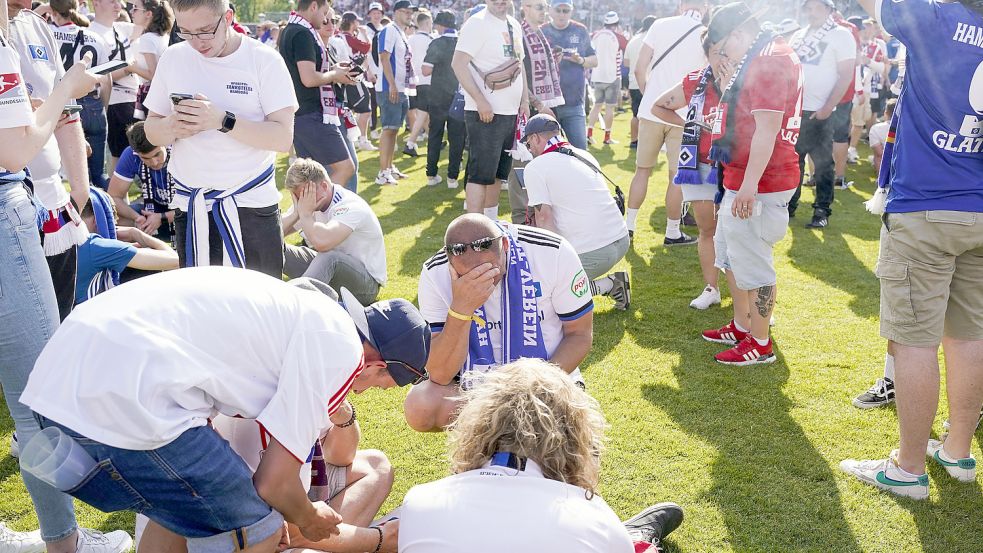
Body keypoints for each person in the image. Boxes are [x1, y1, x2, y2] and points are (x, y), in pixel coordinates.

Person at [21, 267, 430, 553]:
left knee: (183, 508)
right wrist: (308, 516)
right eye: (383, 383)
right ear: (379, 364)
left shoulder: (299, 312)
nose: (371, 388)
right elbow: (274, 484)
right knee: (257, 527)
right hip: (128, 396)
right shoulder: (340, 347)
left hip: (59, 378)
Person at [0, 5, 133, 550]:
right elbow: (15, 148)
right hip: (8, 207)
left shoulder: (22, 28)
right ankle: (65, 543)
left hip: (36, 207)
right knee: (38, 396)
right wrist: (64, 91)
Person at [839, 0, 983, 500]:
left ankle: (908, 468)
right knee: (968, 336)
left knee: (916, 341)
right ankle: (959, 451)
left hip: (925, 206)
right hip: (979, 206)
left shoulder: (936, 18)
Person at [398, 359, 684, 553]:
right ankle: (638, 538)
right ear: (573, 436)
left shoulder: (418, 502)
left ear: (476, 424)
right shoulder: (594, 519)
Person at [143, 0, 297, 277]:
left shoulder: (264, 60)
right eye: (186, 32)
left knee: (258, 308)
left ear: (227, 17)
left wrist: (222, 121)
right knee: (201, 307)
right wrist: (172, 126)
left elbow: (282, 138)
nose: (196, 42)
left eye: (204, 31)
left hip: (250, 207)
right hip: (190, 206)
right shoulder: (174, 57)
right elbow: (150, 130)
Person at [406, 214, 593, 432]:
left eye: (489, 271)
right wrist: (462, 308)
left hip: (546, 379)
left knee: (564, 454)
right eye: (468, 276)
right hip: (476, 387)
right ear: (450, 261)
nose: (480, 280)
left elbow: (579, 334)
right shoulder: (434, 272)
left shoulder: (552, 252)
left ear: (504, 245)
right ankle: (485, 439)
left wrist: (531, 390)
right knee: (420, 406)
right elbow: (439, 372)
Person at [700, 2, 802, 366]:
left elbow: (767, 129)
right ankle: (744, 326)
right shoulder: (761, 53)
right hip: (745, 175)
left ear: (739, 33)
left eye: (725, 47)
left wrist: (748, 185)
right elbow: (745, 118)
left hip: (760, 180)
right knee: (731, 255)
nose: (724, 55)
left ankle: (760, 342)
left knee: (754, 262)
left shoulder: (769, 58)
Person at [9, 0, 91, 320]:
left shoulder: (38, 28)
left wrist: (80, 189)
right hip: (9, 209)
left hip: (53, 207)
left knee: (59, 320)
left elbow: (67, 113)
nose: (24, 2)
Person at [521, 114, 631, 310]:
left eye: (529, 144)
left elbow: (544, 218)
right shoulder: (583, 154)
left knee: (540, 294)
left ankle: (609, 284)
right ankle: (610, 284)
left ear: (536, 138)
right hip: (621, 240)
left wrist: (549, 265)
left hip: (593, 251)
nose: (530, 150)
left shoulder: (535, 167)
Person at [650, 30, 727, 310]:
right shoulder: (697, 80)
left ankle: (747, 295)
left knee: (736, 231)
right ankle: (712, 288)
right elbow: (658, 106)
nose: (723, 58)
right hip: (700, 163)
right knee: (708, 228)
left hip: (735, 165)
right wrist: (691, 126)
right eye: (716, 52)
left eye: (727, 51)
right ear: (707, 54)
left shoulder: (745, 81)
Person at [625, 0, 706, 246]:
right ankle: (672, 231)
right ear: (706, 7)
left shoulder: (660, 24)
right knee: (676, 176)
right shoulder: (705, 34)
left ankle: (628, 227)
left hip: (651, 110)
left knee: (642, 171)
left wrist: (650, 94)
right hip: (682, 114)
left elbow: (640, 68)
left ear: (681, 5)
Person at [453, 0, 529, 218]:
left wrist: (524, 101)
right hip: (485, 112)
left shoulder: (514, 23)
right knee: (480, 174)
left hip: (510, 111)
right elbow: (458, 64)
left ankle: (491, 221)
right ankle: (474, 226)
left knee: (498, 174)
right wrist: (480, 100)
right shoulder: (477, 23)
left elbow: (519, 63)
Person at [786, 0, 856, 229]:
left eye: (816, 6)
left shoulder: (841, 35)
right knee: (792, 162)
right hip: (795, 110)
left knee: (824, 164)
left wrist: (828, 107)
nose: (810, 11)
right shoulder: (799, 35)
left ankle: (821, 210)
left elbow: (845, 74)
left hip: (820, 112)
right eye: (808, 7)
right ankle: (789, 205)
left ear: (828, 9)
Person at [281, 158, 387, 305]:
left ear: (324, 186)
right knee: (275, 246)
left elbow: (323, 243)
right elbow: (273, 233)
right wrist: (295, 213)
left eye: (306, 194)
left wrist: (304, 215)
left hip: (366, 286)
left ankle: (293, 306)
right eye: (298, 197)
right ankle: (263, 298)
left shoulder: (350, 205)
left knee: (329, 257)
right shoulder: (308, 203)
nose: (302, 201)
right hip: (331, 272)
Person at [279, 0, 357, 191]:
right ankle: (314, 209)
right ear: (313, 6)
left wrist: (333, 69)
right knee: (346, 168)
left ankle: (305, 216)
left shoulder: (292, 29)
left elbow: (304, 73)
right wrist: (335, 75)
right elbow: (308, 78)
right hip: (311, 113)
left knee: (314, 177)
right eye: (324, 14)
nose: (325, 19)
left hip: (303, 114)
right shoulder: (302, 33)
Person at [47, 0, 113, 190]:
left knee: (56, 174)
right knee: (98, 174)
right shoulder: (95, 37)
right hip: (93, 103)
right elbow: (106, 80)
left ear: (53, 11)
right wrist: (103, 108)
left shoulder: (48, 34)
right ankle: (105, 216)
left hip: (64, 104)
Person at [75, 188, 179, 304]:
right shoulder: (97, 247)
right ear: (98, 221)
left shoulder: (58, 240)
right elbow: (174, 260)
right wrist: (134, 233)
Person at [89, 0, 141, 174]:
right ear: (96, 3)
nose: (118, 5)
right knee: (120, 158)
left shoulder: (121, 28)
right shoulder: (90, 33)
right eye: (112, 1)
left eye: (119, 1)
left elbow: (153, 19)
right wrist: (127, 68)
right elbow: (95, 76)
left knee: (138, 153)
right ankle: (116, 198)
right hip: (114, 102)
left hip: (134, 98)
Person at [540, 0, 596, 149]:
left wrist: (581, 60)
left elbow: (594, 60)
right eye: (558, 10)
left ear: (571, 12)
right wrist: (550, 61)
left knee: (580, 151)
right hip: (548, 103)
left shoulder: (580, 30)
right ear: (550, 11)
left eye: (565, 11)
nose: (561, 14)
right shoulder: (541, 31)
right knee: (547, 152)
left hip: (573, 102)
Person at [107, 121, 175, 241]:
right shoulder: (130, 155)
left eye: (157, 154)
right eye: (146, 158)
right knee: (113, 219)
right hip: (151, 212)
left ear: (164, 143)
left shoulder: (179, 150)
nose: (154, 162)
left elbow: (198, 205)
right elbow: (113, 198)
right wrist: (137, 218)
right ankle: (136, 256)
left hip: (182, 214)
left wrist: (162, 217)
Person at [374, 0, 416, 185]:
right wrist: (391, 85)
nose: (410, 15)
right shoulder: (389, 30)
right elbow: (384, 58)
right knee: (389, 129)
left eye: (411, 13)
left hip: (399, 86)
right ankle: (382, 171)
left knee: (394, 129)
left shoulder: (400, 32)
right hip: (390, 87)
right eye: (406, 12)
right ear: (397, 12)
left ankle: (389, 167)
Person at [422, 9, 464, 189]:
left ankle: (431, 174)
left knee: (435, 135)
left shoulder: (437, 43)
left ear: (440, 25)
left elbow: (425, 70)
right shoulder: (463, 42)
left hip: (438, 96)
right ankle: (452, 178)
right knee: (457, 138)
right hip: (459, 96)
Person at [127, 0, 173, 120]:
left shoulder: (147, 38)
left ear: (148, 14)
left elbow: (153, 75)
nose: (131, 11)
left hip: (151, 95)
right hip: (163, 94)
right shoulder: (163, 37)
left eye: (135, 8)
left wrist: (131, 67)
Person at [587, 11, 621, 146]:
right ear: (616, 24)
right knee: (609, 109)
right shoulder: (619, 37)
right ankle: (607, 137)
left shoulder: (595, 35)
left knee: (596, 106)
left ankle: (589, 134)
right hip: (612, 76)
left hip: (596, 75)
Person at [403, 8, 432, 157]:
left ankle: (435, 142)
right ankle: (410, 143)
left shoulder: (411, 39)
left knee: (423, 114)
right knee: (422, 114)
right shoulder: (430, 40)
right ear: (427, 23)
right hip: (427, 81)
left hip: (414, 81)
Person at [624, 15, 656, 149]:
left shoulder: (633, 40)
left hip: (633, 82)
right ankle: (647, 142)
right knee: (650, 115)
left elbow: (626, 62)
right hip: (649, 81)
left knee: (635, 114)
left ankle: (634, 140)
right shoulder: (653, 40)